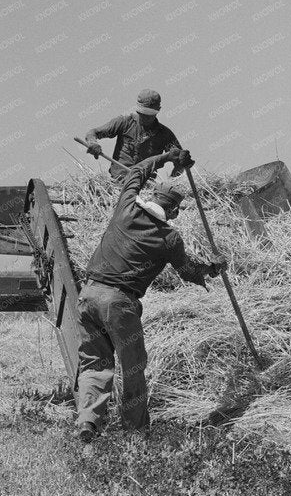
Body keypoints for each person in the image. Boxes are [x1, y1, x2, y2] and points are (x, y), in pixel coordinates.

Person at [74, 148, 223, 443]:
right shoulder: (169, 238)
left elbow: (137, 171)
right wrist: (211, 269)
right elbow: (188, 272)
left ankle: (88, 421)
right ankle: (135, 435)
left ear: (151, 196)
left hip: (88, 294)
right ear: (174, 211)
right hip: (119, 303)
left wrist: (167, 156)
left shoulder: (126, 207)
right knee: (132, 369)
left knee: (94, 364)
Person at [82, 89, 182, 171]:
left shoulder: (165, 135)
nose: (145, 117)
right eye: (143, 112)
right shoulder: (124, 122)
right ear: (137, 109)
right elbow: (93, 133)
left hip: (145, 184)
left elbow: (180, 159)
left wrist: (171, 181)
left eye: (150, 113)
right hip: (119, 181)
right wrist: (93, 143)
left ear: (158, 110)